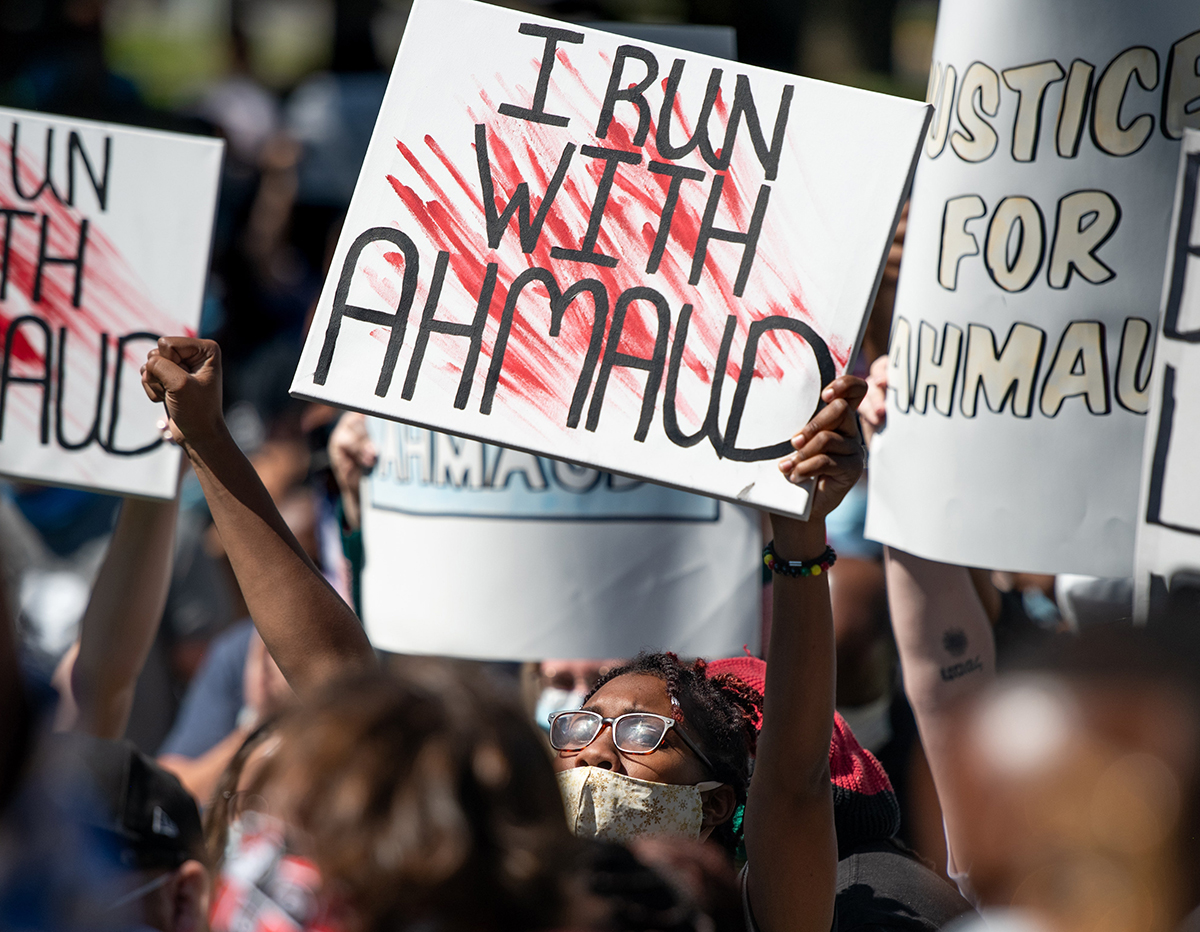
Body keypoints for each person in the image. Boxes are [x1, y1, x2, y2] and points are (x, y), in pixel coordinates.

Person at [140, 335, 867, 932]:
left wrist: (800, 534)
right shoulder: (497, 897)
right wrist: (207, 441)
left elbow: (795, 784)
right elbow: (340, 681)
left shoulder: (759, 916)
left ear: (714, 803)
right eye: (578, 726)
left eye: (644, 733)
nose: (597, 750)